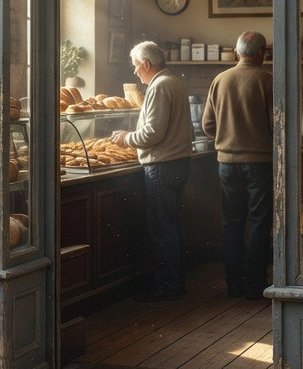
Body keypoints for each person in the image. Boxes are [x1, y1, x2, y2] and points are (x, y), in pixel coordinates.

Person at [110, 41, 194, 302]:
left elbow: (152, 133)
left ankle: (168, 286)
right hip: (178, 163)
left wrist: (126, 138)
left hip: (161, 165)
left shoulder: (158, 86)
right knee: (173, 227)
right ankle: (175, 282)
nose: (135, 72)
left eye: (136, 66)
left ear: (147, 64)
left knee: (162, 228)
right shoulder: (173, 81)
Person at [201, 31, 274, 300]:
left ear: (236, 52)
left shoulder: (219, 80)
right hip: (259, 164)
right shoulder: (267, 80)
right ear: (262, 54)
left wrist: (227, 136)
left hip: (226, 164)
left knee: (231, 224)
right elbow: (275, 125)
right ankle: (255, 285)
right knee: (258, 223)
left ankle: (233, 284)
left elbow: (207, 125)